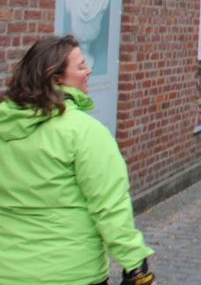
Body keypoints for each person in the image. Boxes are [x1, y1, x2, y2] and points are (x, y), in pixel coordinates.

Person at [0, 35, 155, 285]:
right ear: (56, 78)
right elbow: (110, 207)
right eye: (81, 66)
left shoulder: (4, 126)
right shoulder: (84, 132)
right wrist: (137, 269)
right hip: (70, 273)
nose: (89, 70)